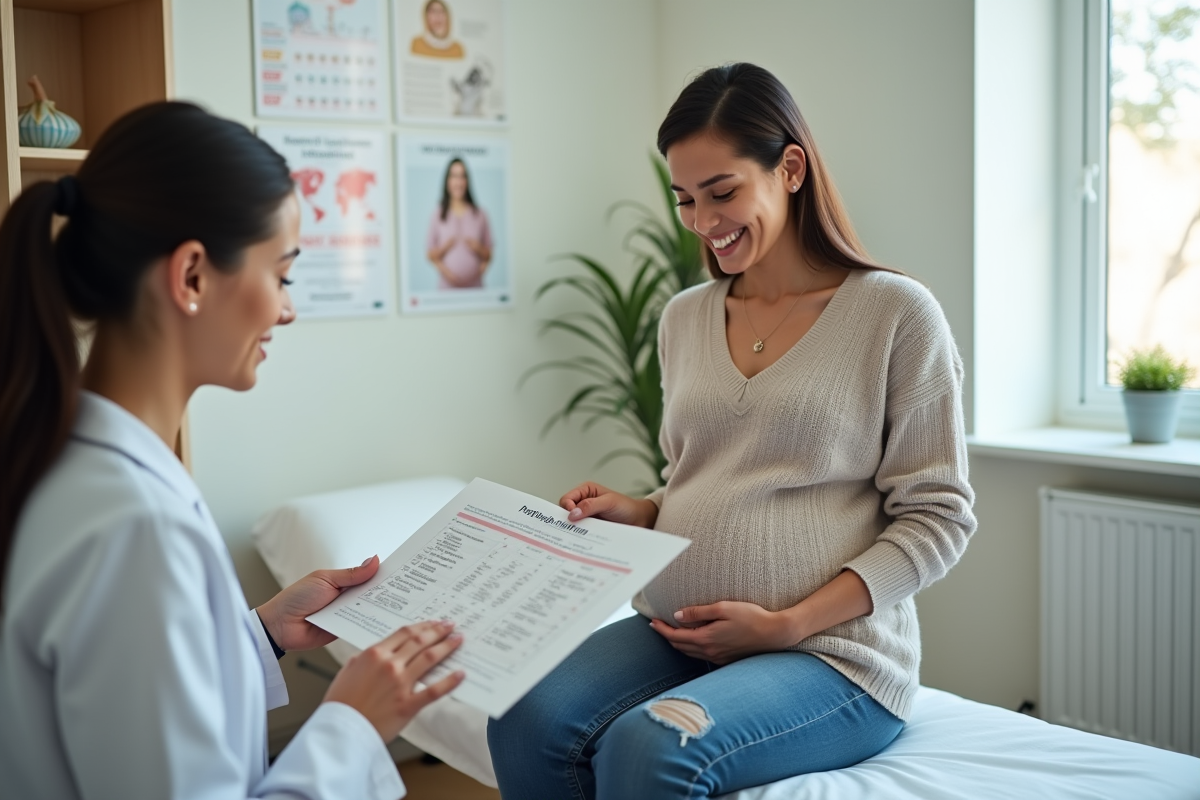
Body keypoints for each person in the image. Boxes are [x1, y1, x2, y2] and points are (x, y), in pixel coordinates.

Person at [487, 63, 977, 799]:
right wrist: (640, 511)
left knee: (652, 748)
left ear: (789, 168)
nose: (701, 221)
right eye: (684, 199)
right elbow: (702, 475)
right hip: (681, 632)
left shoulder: (895, 314)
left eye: (722, 192)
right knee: (522, 714)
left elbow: (940, 518)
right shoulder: (685, 316)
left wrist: (787, 624)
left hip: (830, 655)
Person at [0, 102, 465, 799]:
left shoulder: (64, 464)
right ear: (191, 277)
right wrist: (351, 725)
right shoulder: (135, 526)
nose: (287, 308)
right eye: (280, 274)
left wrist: (258, 634)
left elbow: (126, 707)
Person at [426, 157, 493, 289]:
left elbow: (489, 254)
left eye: (462, 176)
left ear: (467, 181)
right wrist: (444, 249)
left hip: (475, 288)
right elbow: (430, 254)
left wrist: (478, 248)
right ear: (447, 181)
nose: (458, 181)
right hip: (447, 289)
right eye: (454, 176)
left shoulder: (480, 214)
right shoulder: (438, 214)